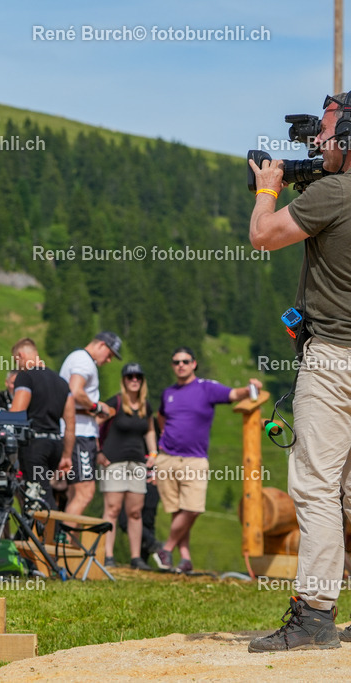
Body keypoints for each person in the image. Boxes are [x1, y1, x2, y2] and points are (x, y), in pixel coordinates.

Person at [247, 96, 351, 651]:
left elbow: (264, 236)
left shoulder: (335, 193)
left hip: (335, 358)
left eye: (331, 136)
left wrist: (269, 187)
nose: (321, 146)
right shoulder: (332, 189)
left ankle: (314, 615)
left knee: (315, 488)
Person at [152, 347, 260, 575]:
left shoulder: (206, 388)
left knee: (192, 509)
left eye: (185, 361)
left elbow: (233, 394)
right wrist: (162, 438)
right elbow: (161, 416)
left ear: (194, 364)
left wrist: (252, 387)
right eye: (176, 362)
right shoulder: (168, 393)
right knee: (177, 511)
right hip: (167, 458)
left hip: (195, 459)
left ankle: (166, 548)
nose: (180, 365)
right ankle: (185, 559)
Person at [96, 363, 157, 571]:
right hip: (114, 461)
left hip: (138, 462)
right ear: (123, 379)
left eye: (138, 376)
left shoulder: (145, 406)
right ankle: (108, 555)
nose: (134, 380)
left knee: (135, 512)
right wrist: (97, 451)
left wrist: (153, 453)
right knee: (112, 509)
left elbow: (149, 430)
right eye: (130, 376)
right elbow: (95, 422)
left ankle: (135, 557)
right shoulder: (116, 402)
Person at [59, 331, 121, 516]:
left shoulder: (78, 358)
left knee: (73, 494)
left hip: (76, 431)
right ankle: (65, 542)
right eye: (109, 355)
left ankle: (64, 540)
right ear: (101, 345)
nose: (109, 360)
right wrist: (95, 407)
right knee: (85, 493)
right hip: (80, 433)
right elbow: (76, 391)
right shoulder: (84, 360)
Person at [7, 338, 74, 506]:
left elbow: (17, 413)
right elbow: (71, 423)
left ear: (21, 356)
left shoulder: (26, 377)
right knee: (38, 492)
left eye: (17, 362)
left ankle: (52, 531)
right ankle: (31, 532)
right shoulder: (62, 383)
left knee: (39, 496)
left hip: (35, 445)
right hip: (55, 446)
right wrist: (66, 455)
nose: (18, 368)